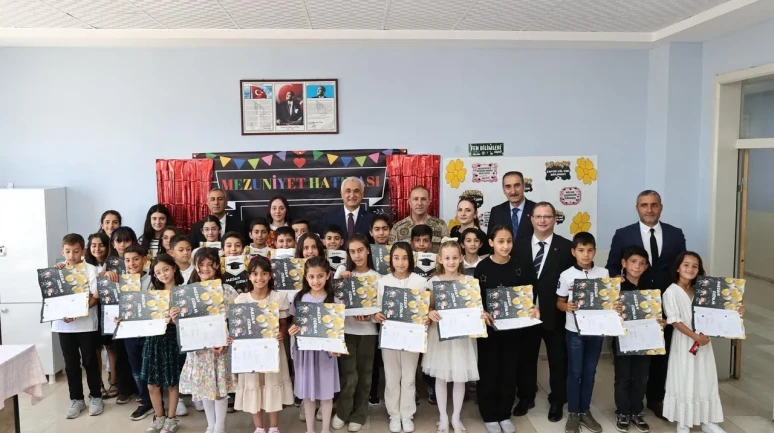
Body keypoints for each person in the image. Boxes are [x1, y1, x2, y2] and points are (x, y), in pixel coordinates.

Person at [606, 190, 686, 420]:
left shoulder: (675, 234)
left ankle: (655, 400)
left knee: (661, 354)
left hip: (664, 304)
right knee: (630, 357)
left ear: (661, 207)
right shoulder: (623, 234)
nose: (649, 209)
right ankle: (627, 406)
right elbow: (612, 266)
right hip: (631, 304)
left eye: (654, 205)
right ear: (637, 208)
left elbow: (681, 266)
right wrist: (619, 286)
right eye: (644, 205)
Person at [662, 252, 742, 433]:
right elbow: (674, 321)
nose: (690, 269)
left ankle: (706, 420)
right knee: (684, 377)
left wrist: (736, 310)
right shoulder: (671, 292)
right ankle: (683, 422)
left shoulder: (703, 291)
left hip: (703, 343)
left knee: (705, 378)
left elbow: (719, 312)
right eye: (686, 265)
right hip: (684, 342)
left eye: (695, 266)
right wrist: (694, 336)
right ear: (677, 268)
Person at [511, 201, 573, 422]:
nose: (543, 220)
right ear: (531, 219)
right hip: (526, 314)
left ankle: (557, 400)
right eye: (538, 216)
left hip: (554, 313)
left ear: (555, 219)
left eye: (547, 216)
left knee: (558, 359)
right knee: (526, 358)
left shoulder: (566, 247)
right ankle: (525, 396)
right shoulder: (518, 246)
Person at [475, 226, 538, 433]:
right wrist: (482, 312)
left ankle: (504, 414)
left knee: (509, 372)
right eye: (500, 241)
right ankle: (489, 415)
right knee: (489, 371)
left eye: (509, 241)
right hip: (489, 331)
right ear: (491, 243)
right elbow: (475, 299)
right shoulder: (482, 268)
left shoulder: (520, 267)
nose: (505, 246)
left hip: (513, 331)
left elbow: (527, 298)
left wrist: (533, 308)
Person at [178, 248, 238, 433]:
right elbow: (183, 322)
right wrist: (174, 315)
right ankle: (210, 425)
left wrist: (227, 339)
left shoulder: (227, 290)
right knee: (204, 388)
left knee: (220, 389)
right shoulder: (188, 291)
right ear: (195, 266)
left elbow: (237, 319)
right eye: (201, 265)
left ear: (217, 265)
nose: (205, 268)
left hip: (220, 349)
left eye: (209, 264)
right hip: (198, 349)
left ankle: (220, 426)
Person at [424, 239, 482, 433]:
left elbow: (475, 307)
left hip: (461, 336)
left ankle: (456, 417)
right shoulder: (433, 281)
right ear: (440, 259)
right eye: (447, 258)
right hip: (440, 335)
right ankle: (443, 417)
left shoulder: (469, 282)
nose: (451, 262)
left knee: (459, 377)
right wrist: (430, 312)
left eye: (455, 258)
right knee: (441, 377)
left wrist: (479, 314)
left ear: (461, 258)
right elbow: (429, 306)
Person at [232, 256, 294, 433]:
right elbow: (237, 328)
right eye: (255, 274)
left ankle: (274, 427)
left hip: (272, 351)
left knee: (271, 384)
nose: (259, 278)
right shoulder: (241, 300)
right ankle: (259, 427)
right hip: (250, 354)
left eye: (264, 273)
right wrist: (233, 339)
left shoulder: (278, 298)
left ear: (270, 275)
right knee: (254, 385)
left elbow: (283, 322)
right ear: (249, 276)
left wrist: (282, 333)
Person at [556, 232, 608, 433]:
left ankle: (585, 410)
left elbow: (610, 301)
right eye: (581, 250)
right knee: (575, 372)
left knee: (590, 371)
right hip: (575, 331)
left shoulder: (603, 274)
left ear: (595, 251)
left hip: (597, 331)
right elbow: (559, 302)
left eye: (589, 250)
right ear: (573, 252)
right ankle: (573, 413)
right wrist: (566, 306)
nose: (585, 255)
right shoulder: (566, 275)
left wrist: (616, 306)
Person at [374, 243, 427, 433]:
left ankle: (407, 414)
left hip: (412, 337)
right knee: (391, 377)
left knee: (409, 377)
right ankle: (394, 415)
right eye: (396, 258)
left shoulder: (420, 282)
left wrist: (425, 318)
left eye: (405, 258)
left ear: (411, 260)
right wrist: (376, 315)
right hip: (390, 337)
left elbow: (425, 309)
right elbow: (377, 308)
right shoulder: (383, 281)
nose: (401, 262)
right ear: (391, 260)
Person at [288, 256, 342, 433]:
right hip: (305, 353)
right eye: (311, 276)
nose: (316, 281)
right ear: (306, 277)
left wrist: (336, 348)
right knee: (308, 394)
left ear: (328, 275)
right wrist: (292, 330)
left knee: (326, 393)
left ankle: (325, 429)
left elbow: (337, 331)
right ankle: (310, 430)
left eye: (320, 276)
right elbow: (295, 323)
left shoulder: (334, 300)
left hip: (326, 354)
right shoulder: (300, 297)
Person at [332, 234, 379, 432]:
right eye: (352, 251)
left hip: (368, 332)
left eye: (360, 250)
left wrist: (371, 316)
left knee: (365, 375)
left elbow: (380, 309)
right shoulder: (343, 273)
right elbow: (333, 301)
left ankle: (359, 414)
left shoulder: (377, 277)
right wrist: (341, 280)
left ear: (368, 250)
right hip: (347, 330)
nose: (357, 255)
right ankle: (342, 412)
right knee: (349, 375)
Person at [55, 234, 104, 419]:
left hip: (86, 325)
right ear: (62, 251)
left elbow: (95, 297)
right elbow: (51, 296)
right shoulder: (57, 270)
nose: (71, 255)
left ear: (83, 251)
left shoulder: (90, 269)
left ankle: (96, 397)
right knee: (71, 364)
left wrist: (77, 312)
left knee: (90, 361)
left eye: (76, 251)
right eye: (68, 251)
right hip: (63, 326)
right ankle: (76, 399)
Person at [613, 246, 659, 432]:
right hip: (622, 339)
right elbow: (606, 312)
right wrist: (614, 309)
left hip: (645, 340)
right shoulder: (615, 287)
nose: (637, 266)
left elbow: (657, 314)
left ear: (646, 267)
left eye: (642, 263)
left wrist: (660, 322)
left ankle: (637, 412)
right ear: (624, 263)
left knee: (641, 377)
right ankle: (623, 412)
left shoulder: (651, 289)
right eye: (633, 262)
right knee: (623, 377)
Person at [141, 254, 186, 433]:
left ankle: (171, 418)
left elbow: (192, 319)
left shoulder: (184, 292)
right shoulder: (152, 295)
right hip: (153, 339)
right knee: (152, 383)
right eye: (158, 272)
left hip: (173, 339)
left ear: (174, 268)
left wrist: (176, 320)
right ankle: (159, 417)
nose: (163, 274)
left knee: (172, 382)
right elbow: (143, 318)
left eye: (166, 269)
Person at [121, 244, 156, 421]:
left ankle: (156, 401)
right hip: (129, 331)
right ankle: (145, 400)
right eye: (127, 260)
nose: (132, 263)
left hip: (149, 331)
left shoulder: (152, 280)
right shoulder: (121, 281)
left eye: (136, 259)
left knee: (150, 366)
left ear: (144, 260)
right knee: (136, 368)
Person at [84, 232, 115, 400]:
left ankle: (114, 382)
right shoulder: (84, 265)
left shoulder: (114, 263)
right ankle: (99, 384)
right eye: (93, 245)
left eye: (101, 245)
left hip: (110, 310)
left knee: (111, 347)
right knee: (95, 349)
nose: (97, 248)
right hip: (92, 311)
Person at [368, 215, 390, 407]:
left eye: (384, 229)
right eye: (377, 229)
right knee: (373, 353)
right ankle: (373, 390)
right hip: (371, 305)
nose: (381, 233)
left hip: (390, 303)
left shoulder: (396, 252)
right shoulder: (366, 253)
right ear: (371, 232)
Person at [389, 186, 449, 253]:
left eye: (423, 199)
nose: (419, 203)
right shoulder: (398, 228)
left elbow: (449, 251)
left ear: (429, 202)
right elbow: (391, 254)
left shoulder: (441, 225)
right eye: (416, 199)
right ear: (410, 202)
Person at [320, 177, 374, 241]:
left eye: (356, 191)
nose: (352, 195)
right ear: (342, 194)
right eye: (348, 191)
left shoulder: (372, 220)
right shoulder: (329, 219)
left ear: (362, 194)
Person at [487, 171, 536, 242]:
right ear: (504, 190)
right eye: (508, 187)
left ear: (524, 186)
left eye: (517, 186)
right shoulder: (496, 211)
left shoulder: (537, 209)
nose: (513, 191)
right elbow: (491, 240)